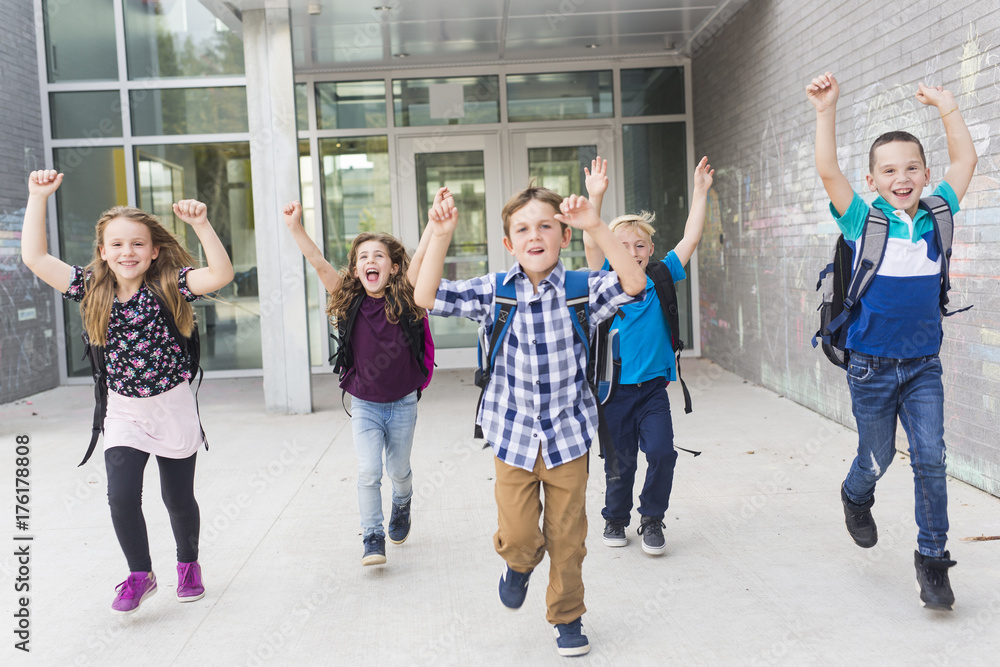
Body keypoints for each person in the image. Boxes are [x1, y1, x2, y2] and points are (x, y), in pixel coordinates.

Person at [413, 183, 645, 657]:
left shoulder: (583, 289)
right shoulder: (493, 293)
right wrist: (439, 235)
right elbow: (425, 295)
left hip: (569, 436)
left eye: (545, 226)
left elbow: (634, 282)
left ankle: (567, 616)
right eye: (522, 229)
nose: (534, 236)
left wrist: (596, 225)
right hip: (511, 434)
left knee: (569, 539)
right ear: (508, 243)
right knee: (519, 534)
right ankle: (518, 565)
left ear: (562, 234)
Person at [21, 170, 234, 614]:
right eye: (116, 244)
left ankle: (188, 564)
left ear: (154, 250)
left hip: (172, 407)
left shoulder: (171, 285)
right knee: (120, 495)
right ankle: (140, 573)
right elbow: (36, 257)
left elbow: (220, 273)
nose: (127, 251)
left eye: (137, 243)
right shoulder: (91, 287)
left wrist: (201, 225)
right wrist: (37, 197)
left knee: (177, 499)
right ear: (102, 251)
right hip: (123, 412)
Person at [806, 71, 977, 610]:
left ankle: (933, 561)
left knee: (930, 457)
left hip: (924, 366)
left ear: (925, 175)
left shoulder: (937, 215)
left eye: (910, 169)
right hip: (871, 367)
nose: (900, 178)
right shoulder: (862, 220)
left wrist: (948, 107)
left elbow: (966, 163)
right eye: (888, 171)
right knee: (876, 457)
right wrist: (826, 109)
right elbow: (827, 169)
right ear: (873, 179)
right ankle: (856, 495)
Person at [283, 198, 431, 567]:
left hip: (403, 403)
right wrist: (295, 227)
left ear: (394, 268)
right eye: (363, 257)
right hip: (365, 403)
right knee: (368, 471)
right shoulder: (348, 301)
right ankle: (372, 535)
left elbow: (424, 257)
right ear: (354, 269)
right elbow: (317, 261)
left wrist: (432, 223)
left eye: (379, 256)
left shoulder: (407, 297)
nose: (370, 262)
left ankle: (402, 503)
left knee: (398, 470)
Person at [581, 156, 713, 556]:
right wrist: (595, 198)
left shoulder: (662, 274)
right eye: (623, 246)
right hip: (613, 391)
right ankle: (615, 518)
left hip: (654, 388)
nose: (633, 251)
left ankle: (652, 517)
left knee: (661, 452)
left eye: (640, 245)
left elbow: (690, 238)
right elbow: (590, 240)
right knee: (620, 464)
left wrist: (700, 192)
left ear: (651, 249)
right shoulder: (603, 279)